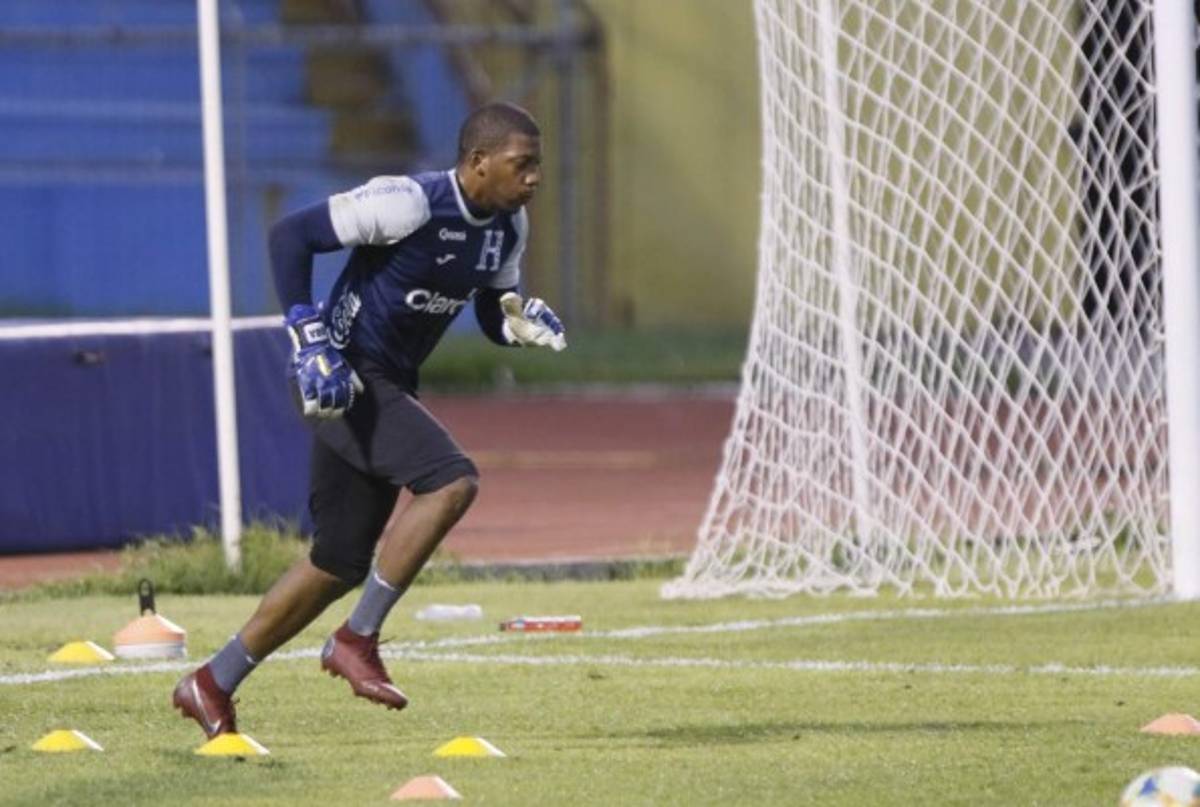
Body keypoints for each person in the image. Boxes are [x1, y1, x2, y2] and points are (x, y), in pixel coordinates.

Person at [172, 102, 566, 739]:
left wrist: (517, 323)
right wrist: (308, 337)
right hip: (342, 376)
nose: (534, 178)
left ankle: (211, 681)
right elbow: (290, 236)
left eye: (537, 165)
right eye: (522, 164)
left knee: (337, 562)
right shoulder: (408, 203)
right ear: (477, 162)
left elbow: (494, 309)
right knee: (451, 480)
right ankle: (357, 638)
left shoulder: (508, 227)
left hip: (387, 384)